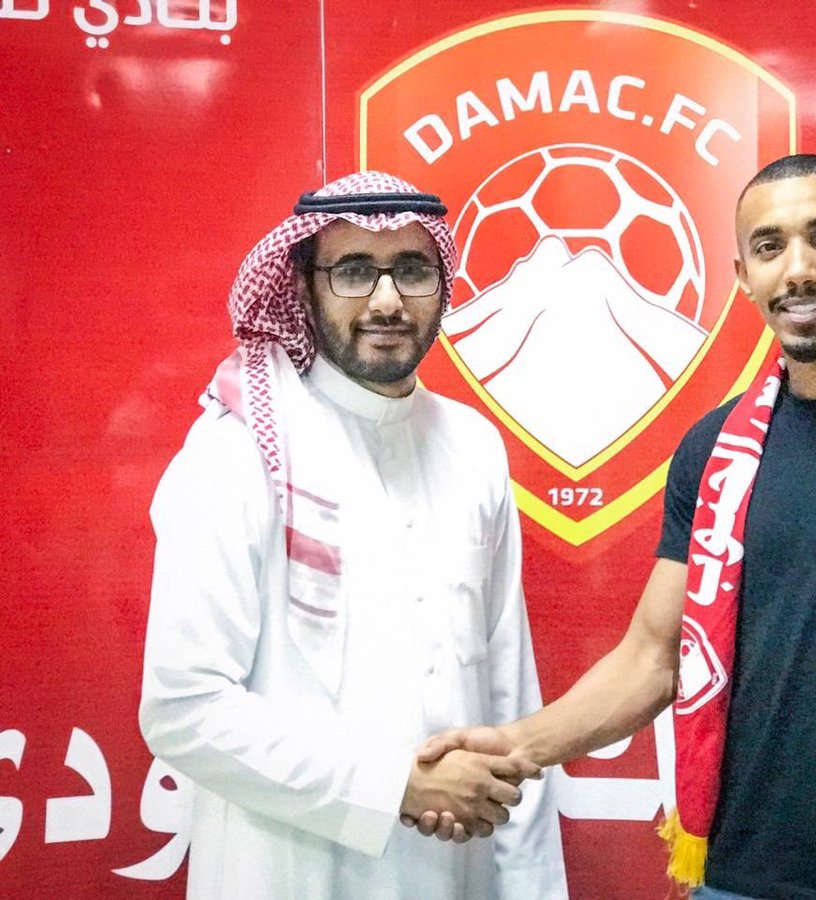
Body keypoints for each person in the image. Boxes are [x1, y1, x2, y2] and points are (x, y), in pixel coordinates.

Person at [416, 155, 816, 900]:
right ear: (742, 275)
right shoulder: (715, 450)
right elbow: (652, 658)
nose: (798, 270)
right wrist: (512, 746)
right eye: (770, 247)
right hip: (728, 879)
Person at [138, 171, 567, 900]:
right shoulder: (236, 453)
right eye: (354, 271)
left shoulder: (472, 447)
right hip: (286, 871)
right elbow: (184, 707)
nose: (387, 301)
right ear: (304, 289)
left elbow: (510, 700)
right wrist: (393, 785)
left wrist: (531, 887)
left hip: (454, 874)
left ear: (442, 284)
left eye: (412, 270)